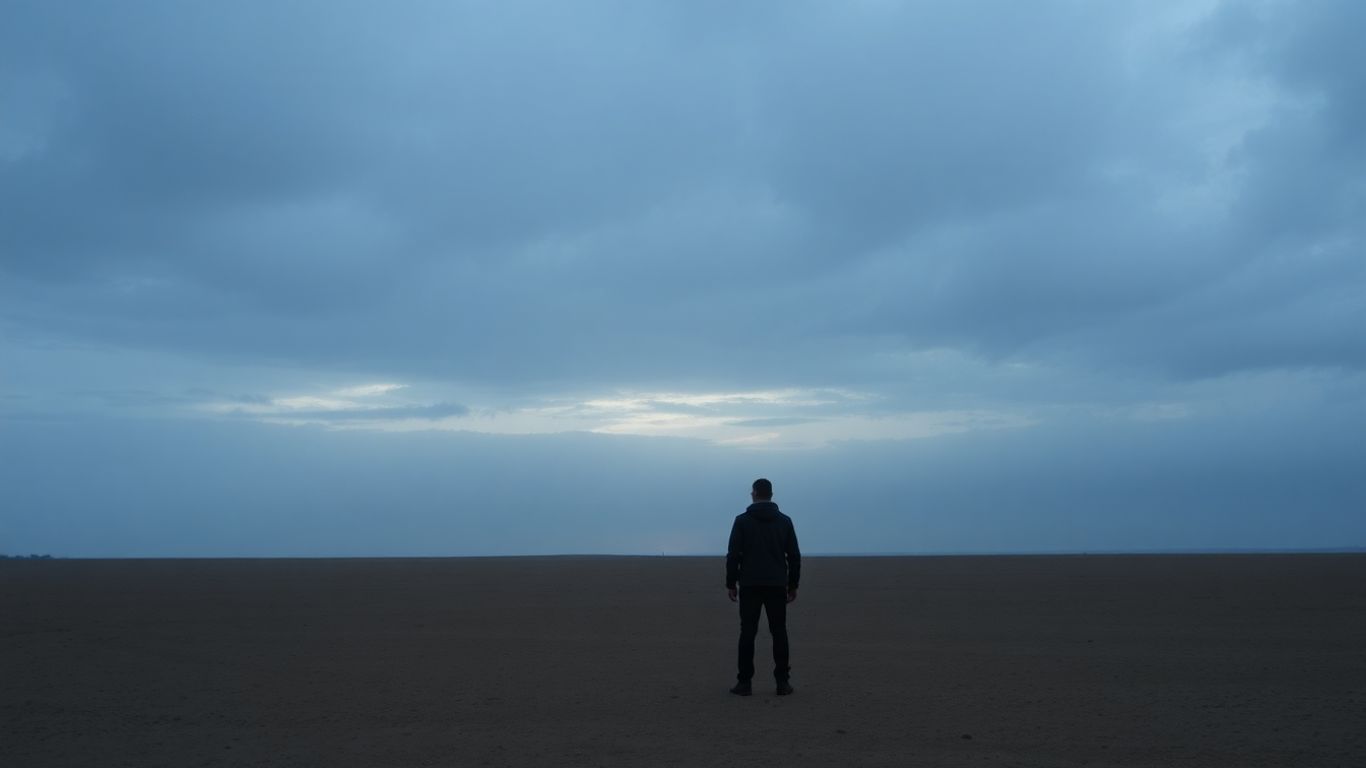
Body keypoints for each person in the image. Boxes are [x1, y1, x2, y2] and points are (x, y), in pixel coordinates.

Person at [726, 477, 801, 696]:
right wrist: (793, 584)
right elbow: (794, 556)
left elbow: (733, 555)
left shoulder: (742, 521)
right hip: (776, 583)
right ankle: (782, 682)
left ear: (755, 493)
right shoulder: (784, 521)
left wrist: (731, 582)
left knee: (748, 632)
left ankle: (744, 683)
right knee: (779, 632)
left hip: (750, 583)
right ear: (771, 494)